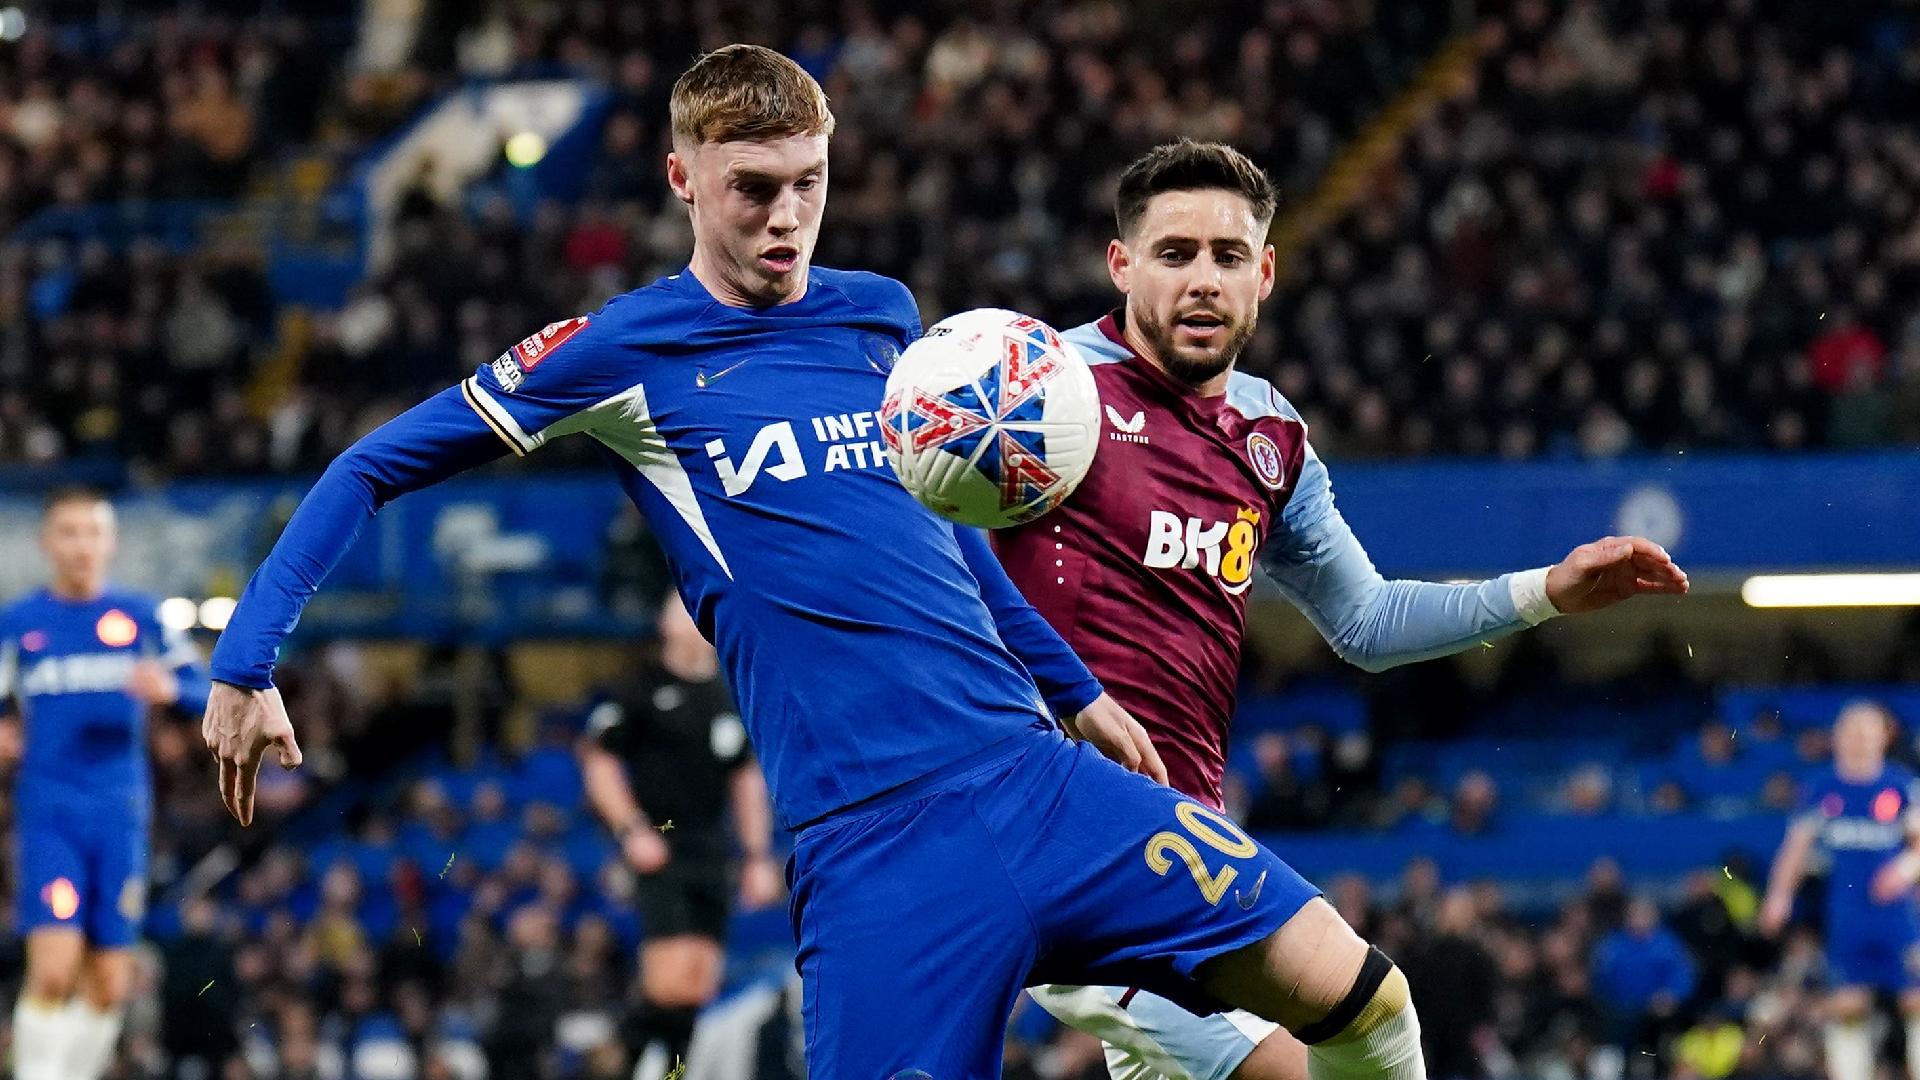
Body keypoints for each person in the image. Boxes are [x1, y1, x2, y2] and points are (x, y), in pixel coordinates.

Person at [204, 44, 1428, 1078]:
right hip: (877, 848)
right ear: (683, 178)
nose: (786, 216)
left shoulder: (882, 315)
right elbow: (368, 465)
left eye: (808, 183)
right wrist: (248, 662)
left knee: (1367, 1000)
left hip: (1041, 778)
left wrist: (1078, 693)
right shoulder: (621, 351)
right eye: (752, 189)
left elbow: (948, 531)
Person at [1001, 140, 1691, 1080]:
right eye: (1174, 254)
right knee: (1369, 1025)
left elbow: (1364, 622)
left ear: (1266, 273)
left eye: (1227, 255)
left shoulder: (1270, 436)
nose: (1203, 280)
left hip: (1183, 834)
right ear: (1121, 265)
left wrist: (1547, 592)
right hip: (1057, 829)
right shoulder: (1036, 389)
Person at [0, 487, 212, 1080]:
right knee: (52, 969)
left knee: (111, 984)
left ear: (110, 542)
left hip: (120, 816)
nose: (82, 546)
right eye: (68, 532)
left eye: (93, 532)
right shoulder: (19, 624)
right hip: (50, 814)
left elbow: (203, 689)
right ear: (46, 543)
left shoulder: (142, 617)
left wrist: (172, 691)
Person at [579, 591, 781, 1075]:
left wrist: (757, 856)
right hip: (660, 847)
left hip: (709, 850)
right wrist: (631, 830)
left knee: (697, 984)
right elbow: (598, 758)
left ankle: (668, 1069)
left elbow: (746, 779)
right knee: (669, 981)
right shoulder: (642, 687)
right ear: (665, 622)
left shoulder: (730, 692)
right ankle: (623, 1062)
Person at [1760, 700, 1920, 1080]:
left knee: (1915, 999)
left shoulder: (1901, 785)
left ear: (1885, 736)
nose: (1858, 739)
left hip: (1898, 916)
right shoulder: (1820, 789)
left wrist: (1905, 867)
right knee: (1847, 1004)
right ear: (1837, 738)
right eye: (1850, 731)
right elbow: (1795, 850)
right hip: (1847, 916)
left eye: (1867, 731)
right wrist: (1778, 897)